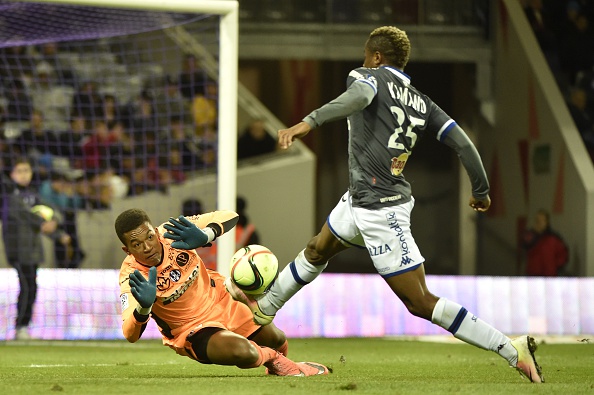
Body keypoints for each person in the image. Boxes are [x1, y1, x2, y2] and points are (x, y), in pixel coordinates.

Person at [222, 26, 544, 383]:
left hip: (381, 210)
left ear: (376, 57)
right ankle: (262, 312)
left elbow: (358, 97)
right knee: (317, 249)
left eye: (365, 56)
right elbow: (464, 144)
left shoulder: (366, 77)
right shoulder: (423, 102)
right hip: (360, 199)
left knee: (420, 301)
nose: (362, 62)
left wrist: (308, 122)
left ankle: (511, 349)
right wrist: (481, 190)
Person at [114, 208, 328, 376]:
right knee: (243, 352)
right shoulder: (131, 276)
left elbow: (230, 216)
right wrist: (143, 307)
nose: (147, 247)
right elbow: (129, 334)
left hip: (223, 302)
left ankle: (274, 359)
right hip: (192, 329)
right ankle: (274, 360)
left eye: (149, 237)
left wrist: (206, 234)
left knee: (278, 340)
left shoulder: (172, 232)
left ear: (155, 232)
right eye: (136, 244)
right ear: (127, 250)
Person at [2, 157, 71, 340]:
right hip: (17, 248)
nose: (24, 175)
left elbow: (52, 212)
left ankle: (24, 326)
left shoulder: (34, 195)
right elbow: (26, 216)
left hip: (33, 250)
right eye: (20, 171)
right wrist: (44, 224)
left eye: (27, 170)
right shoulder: (9, 194)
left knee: (32, 286)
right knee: (27, 286)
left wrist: (56, 227)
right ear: (12, 174)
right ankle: (20, 326)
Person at [522, 209, 569, 276]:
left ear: (547, 222)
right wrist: (535, 234)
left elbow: (563, 255)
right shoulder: (529, 236)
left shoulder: (554, 237)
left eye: (542, 220)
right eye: (537, 220)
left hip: (549, 276)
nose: (539, 222)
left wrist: (555, 266)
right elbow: (525, 246)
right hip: (533, 276)